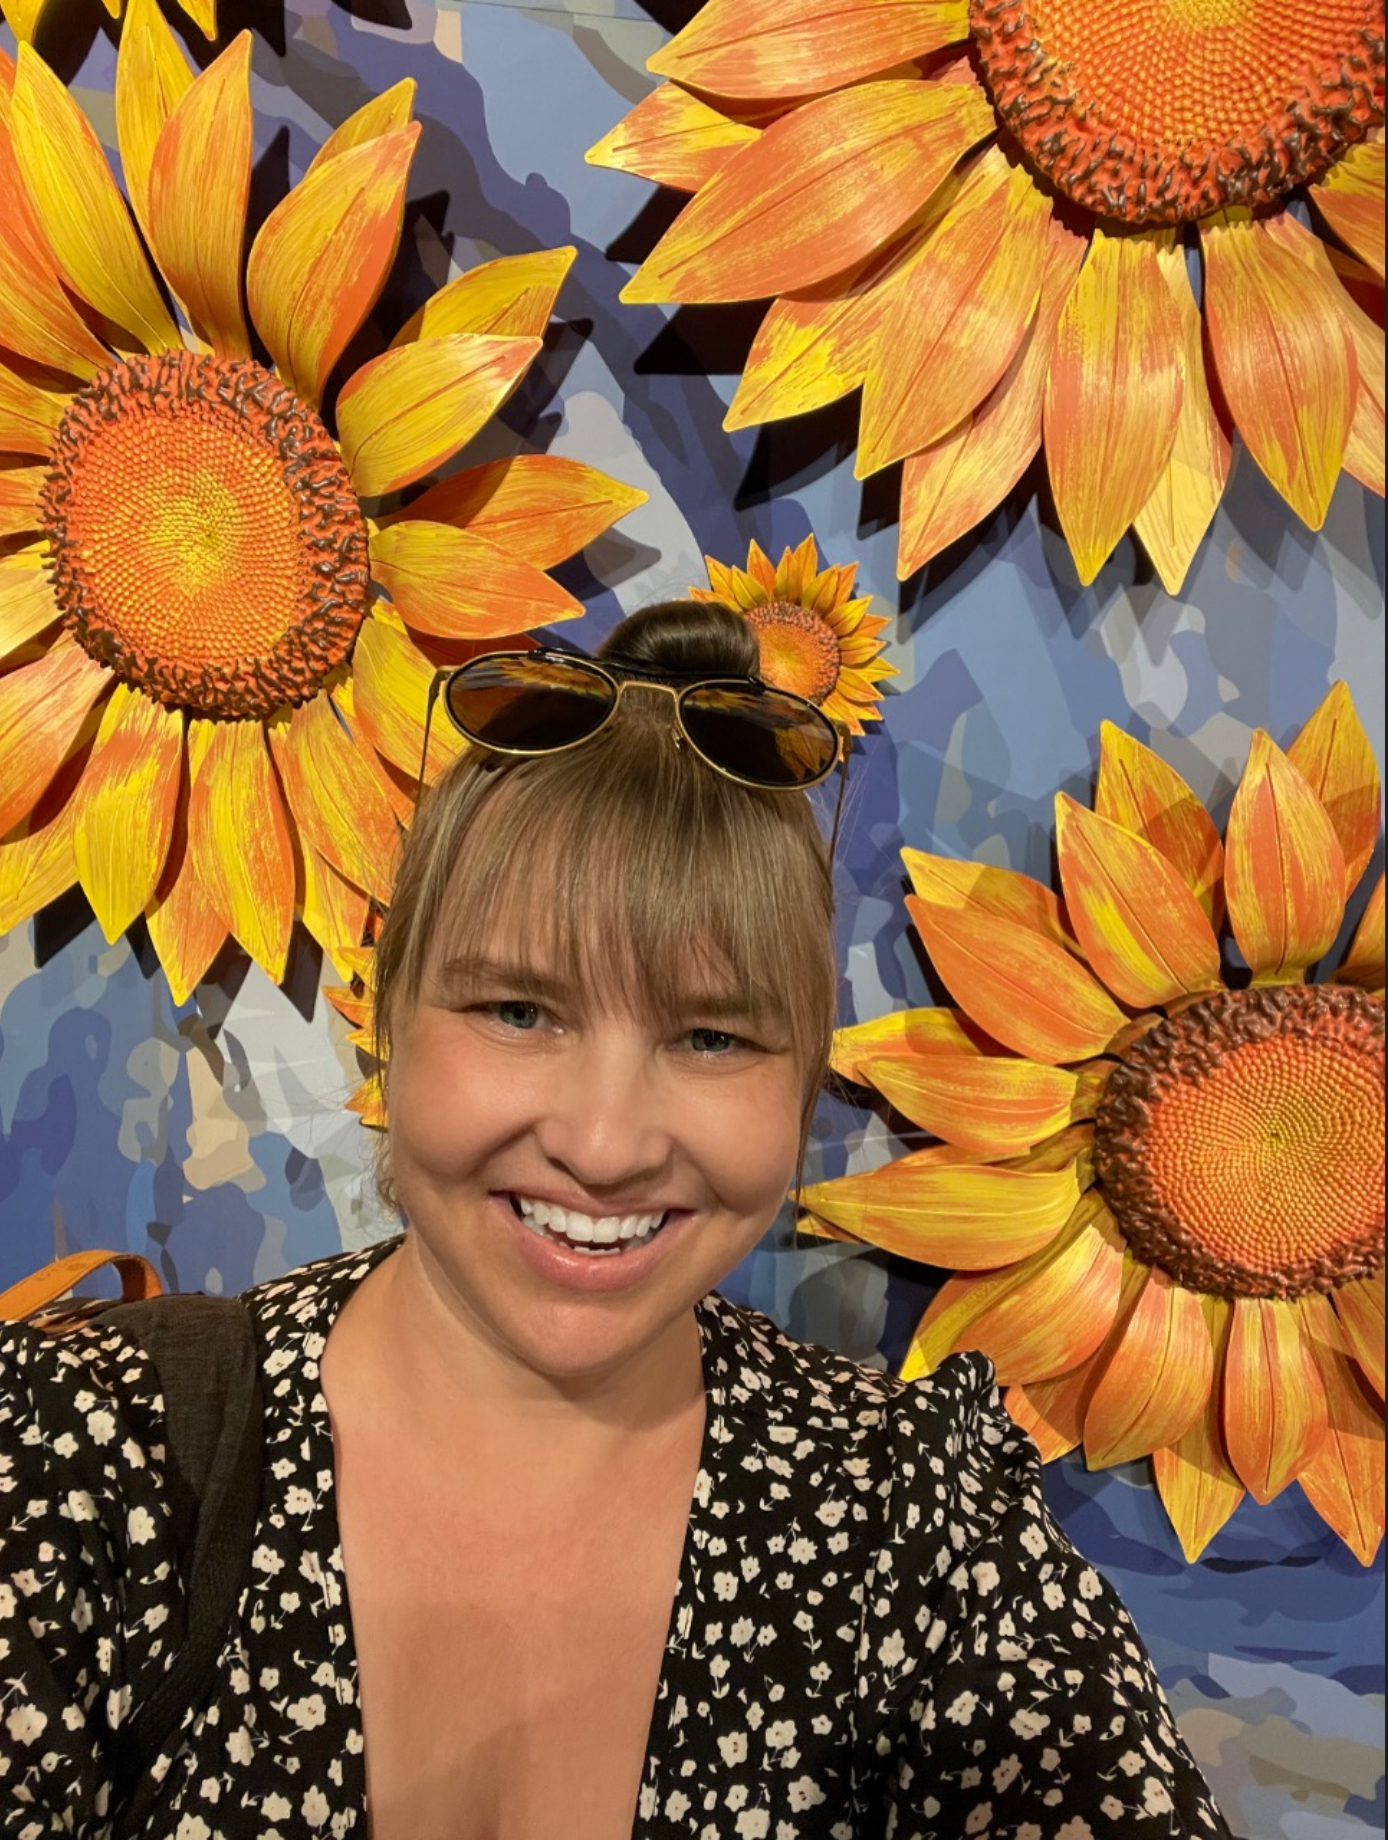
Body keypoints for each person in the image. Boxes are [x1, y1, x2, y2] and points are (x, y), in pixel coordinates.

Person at [1, 601, 1231, 1839]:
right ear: (390, 1027)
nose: (602, 1145)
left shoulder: (917, 1519)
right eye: (519, 1012)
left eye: (709, 1036)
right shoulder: (93, 1459)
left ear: (799, 1078)